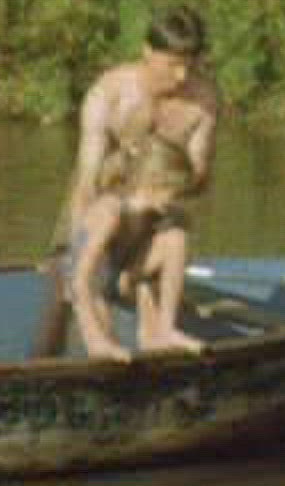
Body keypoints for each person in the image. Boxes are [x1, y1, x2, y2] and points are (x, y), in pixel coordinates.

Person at [37, 6, 220, 356]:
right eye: (172, 64)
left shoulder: (203, 102)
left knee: (175, 231)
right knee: (86, 281)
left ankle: (154, 322)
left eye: (189, 65)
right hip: (103, 204)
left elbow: (199, 180)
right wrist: (79, 251)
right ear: (148, 51)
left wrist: (165, 182)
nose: (182, 76)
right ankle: (91, 321)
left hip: (159, 203)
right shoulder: (108, 94)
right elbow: (87, 181)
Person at [69, 135, 203, 362]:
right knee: (105, 347)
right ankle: (101, 342)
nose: (177, 199)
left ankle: (166, 329)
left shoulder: (153, 213)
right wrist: (96, 338)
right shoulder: (109, 212)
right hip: (89, 283)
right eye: (175, 192)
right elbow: (79, 280)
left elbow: (164, 257)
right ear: (154, 183)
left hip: (121, 278)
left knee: (176, 237)